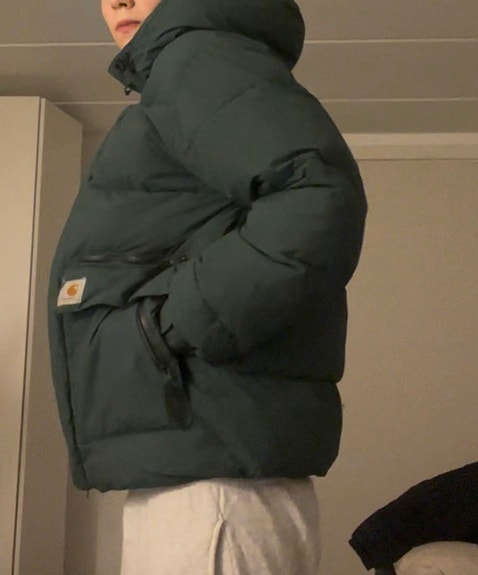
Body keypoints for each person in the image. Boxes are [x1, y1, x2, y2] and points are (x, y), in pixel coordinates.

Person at [47, 0, 367, 573]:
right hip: (206, 471)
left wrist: (173, 323)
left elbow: (319, 198)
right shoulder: (191, 67)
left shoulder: (196, 58)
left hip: (213, 487)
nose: (118, 0)